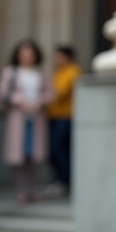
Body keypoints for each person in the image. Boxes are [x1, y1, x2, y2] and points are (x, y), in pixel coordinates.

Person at [0, 40, 53, 204]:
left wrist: (40, 102)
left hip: (36, 118)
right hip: (18, 118)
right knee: (18, 156)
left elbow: (50, 93)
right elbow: (2, 93)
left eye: (30, 53)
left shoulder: (41, 74)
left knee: (33, 156)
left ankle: (32, 189)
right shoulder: (11, 72)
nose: (27, 56)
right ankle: (20, 190)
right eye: (23, 53)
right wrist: (20, 100)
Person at [47, 45, 80, 196]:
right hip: (53, 116)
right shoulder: (58, 73)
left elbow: (60, 92)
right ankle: (60, 180)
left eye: (59, 56)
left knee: (60, 149)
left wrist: (42, 99)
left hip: (66, 117)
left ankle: (66, 182)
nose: (57, 60)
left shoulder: (73, 71)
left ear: (67, 57)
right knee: (55, 150)